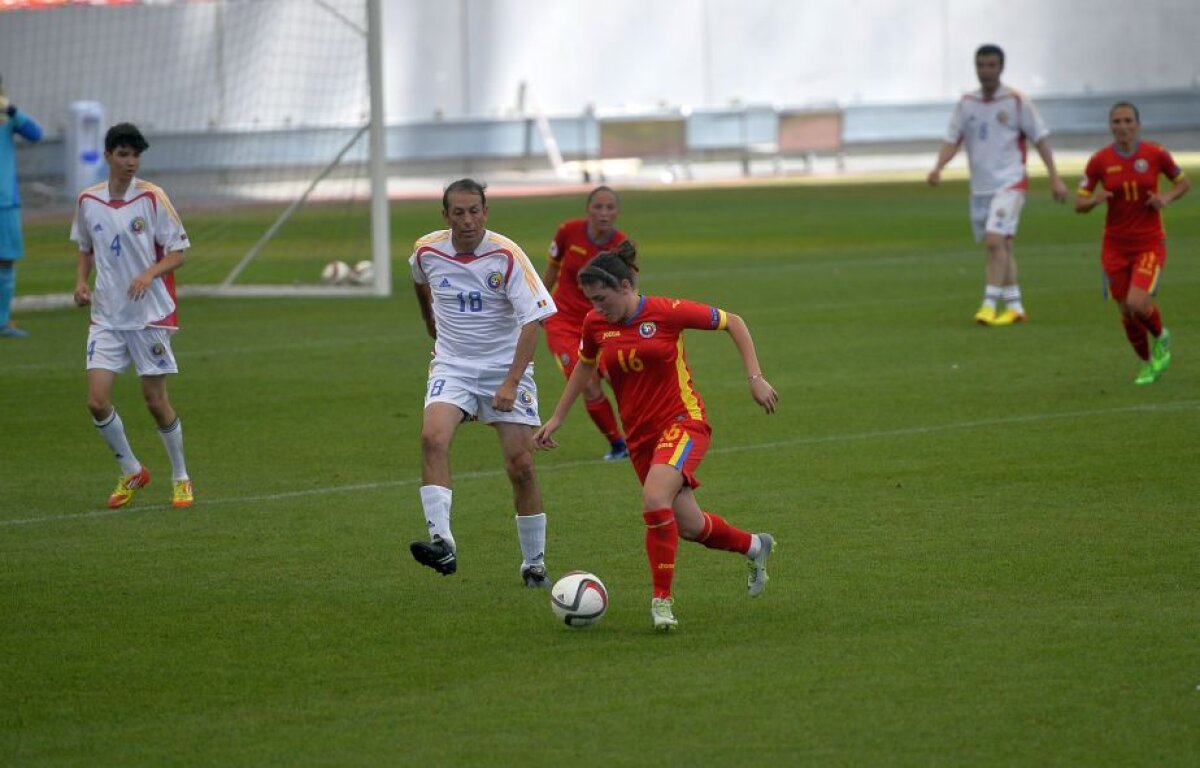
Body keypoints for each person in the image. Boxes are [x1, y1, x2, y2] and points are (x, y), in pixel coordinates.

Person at [533, 240, 778, 632]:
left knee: (653, 499)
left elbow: (733, 321)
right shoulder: (596, 324)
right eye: (591, 300)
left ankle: (661, 603)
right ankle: (754, 545)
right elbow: (584, 367)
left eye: (602, 298)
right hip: (640, 438)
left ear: (626, 286)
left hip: (683, 422)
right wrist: (558, 417)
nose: (597, 308)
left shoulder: (666, 312)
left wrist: (755, 377)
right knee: (690, 526)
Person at [408, 178, 558, 588]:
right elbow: (419, 279)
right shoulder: (427, 250)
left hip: (503, 368)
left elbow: (533, 319)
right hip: (452, 365)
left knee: (521, 465)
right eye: (458, 212)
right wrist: (430, 324)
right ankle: (443, 541)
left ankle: (534, 564)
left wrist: (510, 382)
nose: (468, 220)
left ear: (485, 212)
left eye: (475, 211)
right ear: (446, 216)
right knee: (432, 438)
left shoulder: (507, 256)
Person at [71, 123, 194, 510]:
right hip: (106, 315)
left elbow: (178, 252)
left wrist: (149, 273)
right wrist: (80, 282)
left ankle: (181, 477)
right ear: (108, 155)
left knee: (155, 400)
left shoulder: (153, 198)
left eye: (135, 155)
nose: (130, 162)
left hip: (149, 316)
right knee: (96, 400)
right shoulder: (89, 200)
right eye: (123, 154)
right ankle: (131, 470)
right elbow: (86, 247)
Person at [927, 43, 1069, 326]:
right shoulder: (966, 103)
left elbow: (1039, 139)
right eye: (981, 66)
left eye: (991, 66)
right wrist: (938, 167)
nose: (986, 71)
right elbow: (952, 139)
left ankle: (988, 304)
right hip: (980, 187)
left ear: (1001, 68)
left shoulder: (1017, 101)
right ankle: (1015, 305)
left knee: (994, 241)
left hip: (1011, 183)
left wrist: (1054, 177)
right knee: (1000, 247)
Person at [1076, 102, 1190, 385]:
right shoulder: (1099, 161)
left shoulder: (1155, 154)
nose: (1122, 126)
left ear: (1137, 125)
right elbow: (1079, 202)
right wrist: (1094, 200)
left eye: (1128, 120)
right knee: (1126, 312)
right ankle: (1148, 363)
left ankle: (1162, 336)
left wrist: (1164, 199)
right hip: (1115, 247)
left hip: (1148, 243)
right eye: (1116, 121)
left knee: (1137, 302)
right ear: (1110, 126)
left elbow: (1183, 183)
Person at [542, 185, 630, 461]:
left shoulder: (622, 245)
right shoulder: (568, 231)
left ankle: (642, 434)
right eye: (598, 207)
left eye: (609, 208)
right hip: (563, 321)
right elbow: (552, 269)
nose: (604, 213)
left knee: (621, 378)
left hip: (603, 321)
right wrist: (539, 305)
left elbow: (627, 288)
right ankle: (618, 444)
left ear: (617, 212)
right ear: (588, 209)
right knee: (588, 382)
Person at [0, 74, 44, 339]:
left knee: (5, 262)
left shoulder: (8, 119)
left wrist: (13, 111)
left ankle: (2, 321)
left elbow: (36, 134)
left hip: (6, 202)